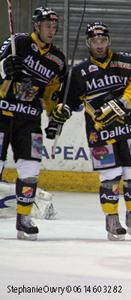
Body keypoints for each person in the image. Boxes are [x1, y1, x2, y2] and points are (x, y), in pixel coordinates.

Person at [49, 22, 131, 241]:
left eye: (103, 40)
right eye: (95, 41)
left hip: (128, 126)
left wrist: (121, 103)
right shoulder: (79, 72)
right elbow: (69, 102)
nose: (99, 45)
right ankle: (112, 219)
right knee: (111, 175)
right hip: (99, 131)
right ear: (88, 43)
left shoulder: (127, 63)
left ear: (108, 41)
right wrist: (61, 110)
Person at [0, 7, 66, 240]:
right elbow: (0, 65)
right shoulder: (18, 42)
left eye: (54, 27)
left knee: (30, 171)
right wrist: (4, 70)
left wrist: (55, 118)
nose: (52, 30)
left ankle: (24, 218)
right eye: (47, 26)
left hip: (29, 119)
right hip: (2, 114)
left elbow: (52, 94)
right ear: (37, 26)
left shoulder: (57, 59)